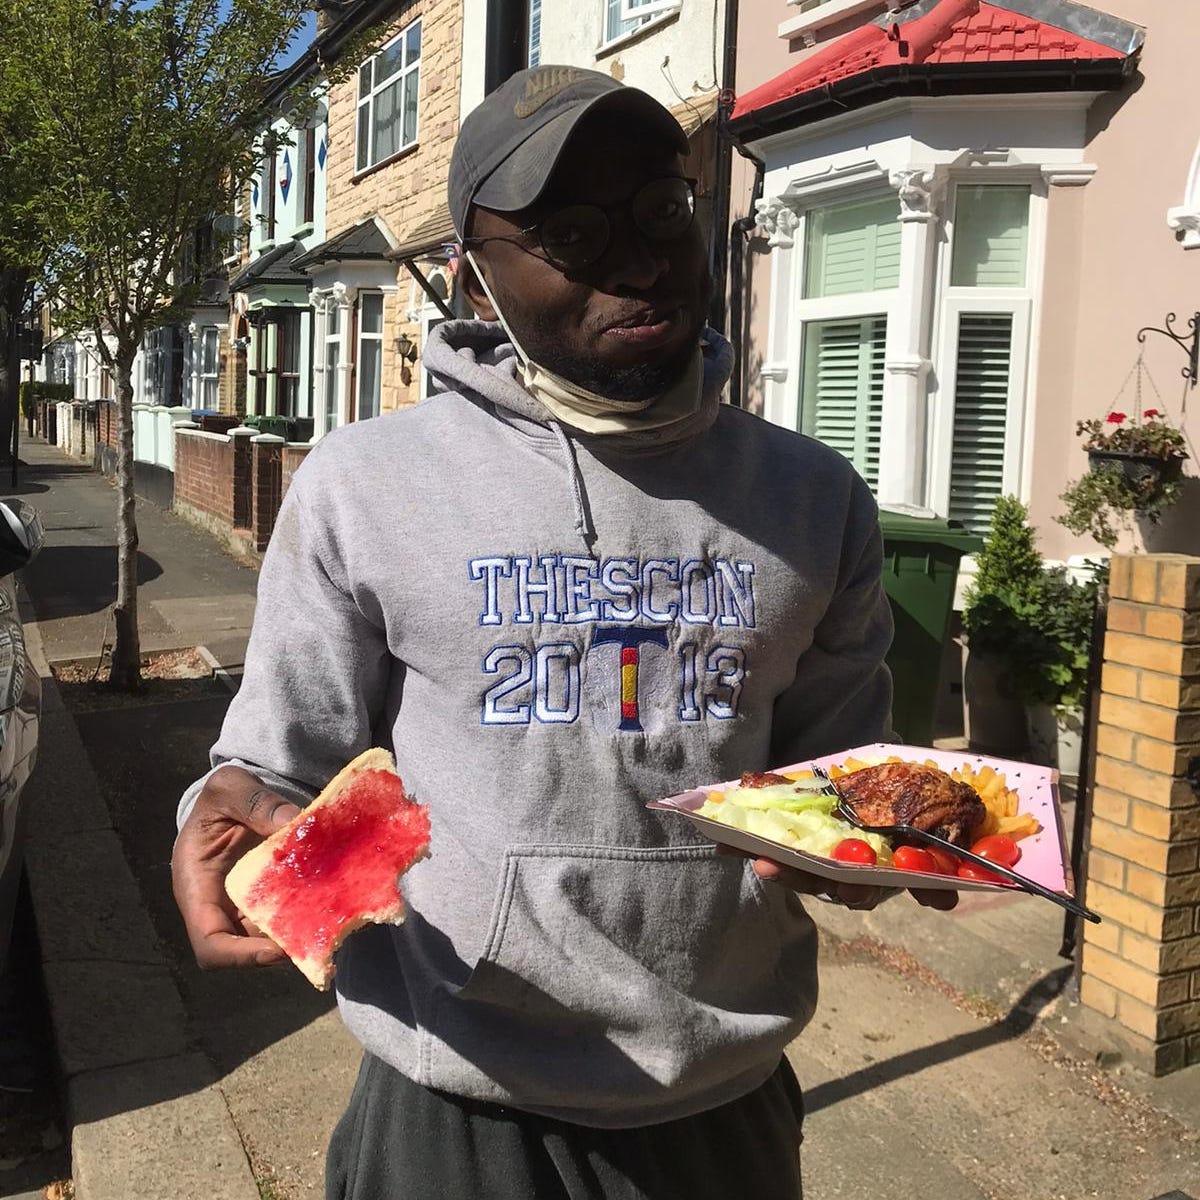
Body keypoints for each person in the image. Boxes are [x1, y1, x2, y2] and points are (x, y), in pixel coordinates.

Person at [172, 65, 955, 1200]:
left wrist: (889, 845)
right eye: (570, 232)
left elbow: (828, 788)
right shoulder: (365, 485)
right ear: (474, 281)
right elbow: (275, 763)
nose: (637, 258)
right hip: (453, 1109)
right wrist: (218, 814)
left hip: (720, 1110)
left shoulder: (814, 498)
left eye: (657, 211)